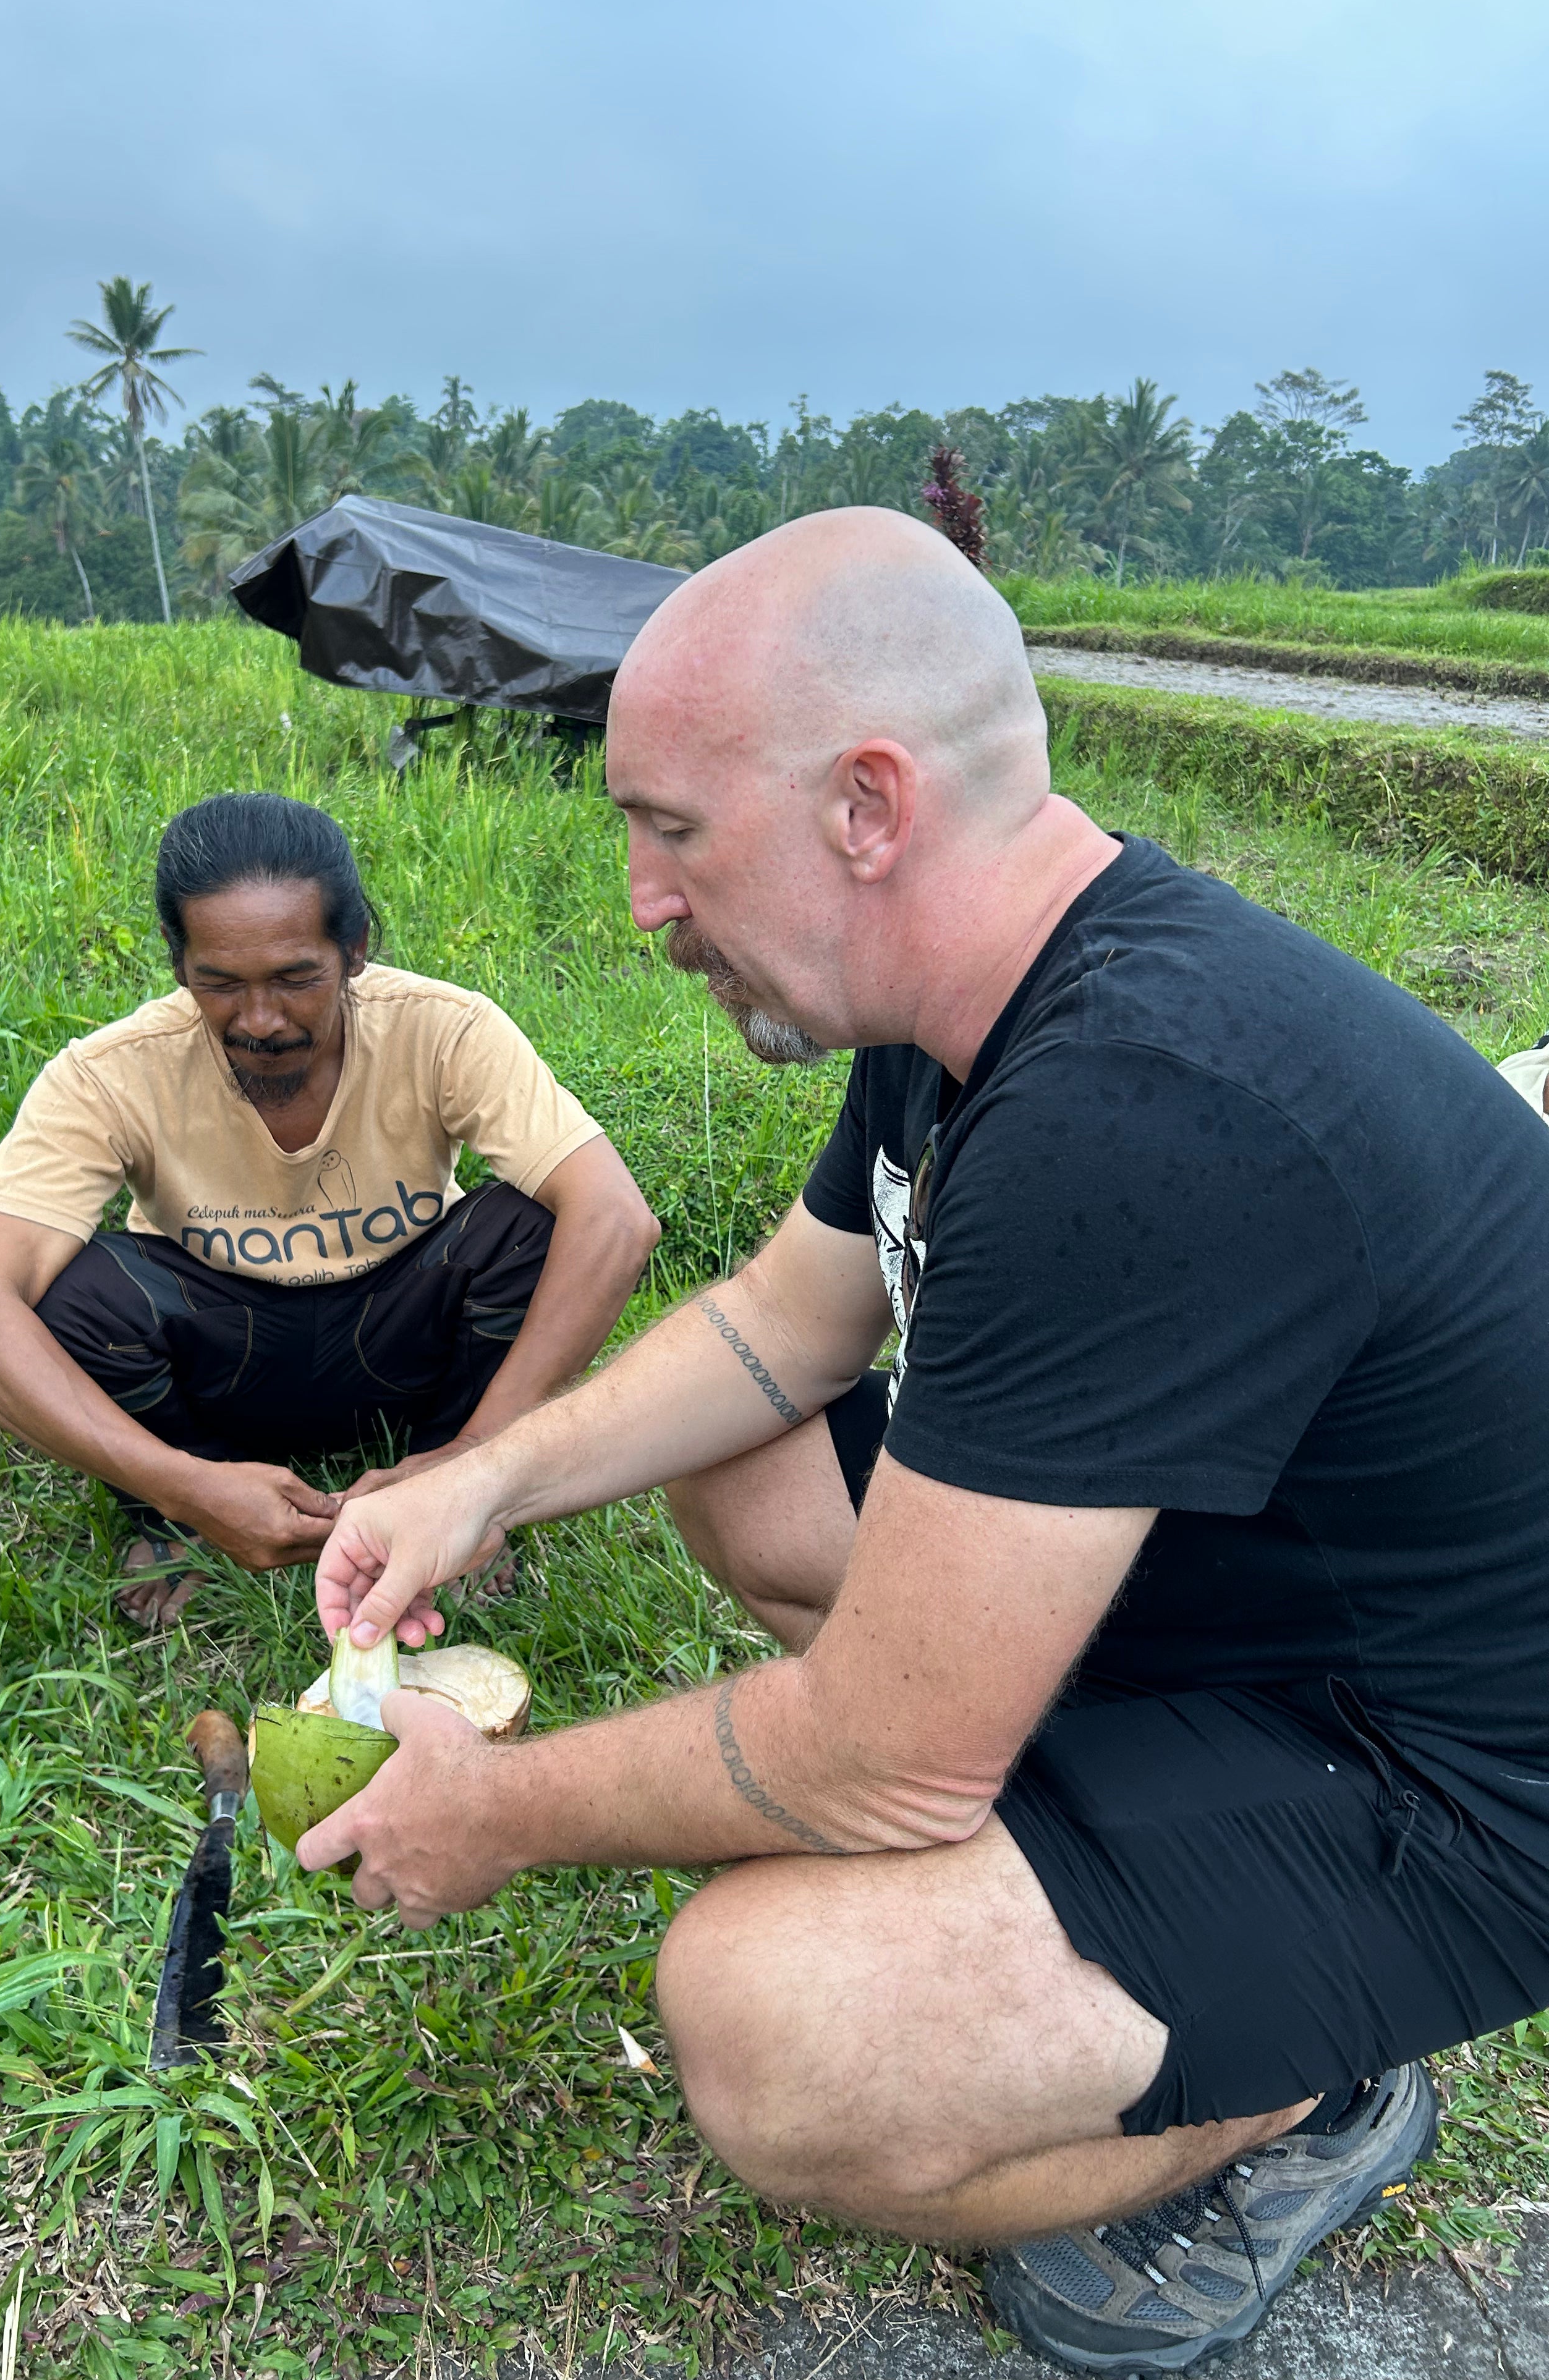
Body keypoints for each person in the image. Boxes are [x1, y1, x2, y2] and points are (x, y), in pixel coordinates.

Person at [294, 510, 1549, 2376]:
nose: (643, 895)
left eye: (670, 826)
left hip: (1439, 1782)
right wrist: (482, 1477)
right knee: (746, 1451)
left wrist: (503, 1810)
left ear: (865, 810)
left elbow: (884, 1763)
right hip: (1257, 1602)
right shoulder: (964, 993)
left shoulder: (1141, 1107)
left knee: (772, 2022)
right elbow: (784, 1324)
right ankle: (1077, 1821)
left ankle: (1312, 2092)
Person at [0, 792, 658, 1628]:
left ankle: (450, 1493)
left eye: (297, 979)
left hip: (403, 1336)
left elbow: (617, 1220)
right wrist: (182, 1486)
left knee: (534, 1229)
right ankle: (169, 1519)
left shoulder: (446, 1031)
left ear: (355, 950)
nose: (261, 1020)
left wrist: (476, 1459)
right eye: (220, 984)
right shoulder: (111, 1074)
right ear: (175, 960)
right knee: (72, 1297)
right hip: (218, 1349)